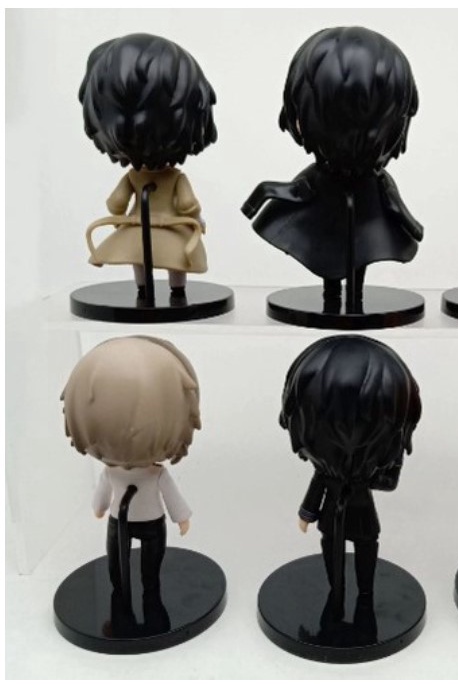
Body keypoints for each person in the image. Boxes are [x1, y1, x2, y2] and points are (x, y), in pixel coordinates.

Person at [242, 26, 423, 311]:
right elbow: (299, 191)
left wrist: (412, 227)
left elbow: (394, 205)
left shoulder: (377, 182)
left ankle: (354, 296)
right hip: (323, 233)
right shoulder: (324, 176)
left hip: (368, 232)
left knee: (360, 259)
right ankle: (333, 296)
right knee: (330, 262)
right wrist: (263, 193)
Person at [280, 335, 421, 612]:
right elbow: (318, 486)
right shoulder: (326, 469)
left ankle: (365, 591)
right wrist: (307, 513)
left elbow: (389, 483)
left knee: (366, 549)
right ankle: (337, 588)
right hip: (332, 517)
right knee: (332, 550)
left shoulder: (364, 466)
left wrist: (384, 464)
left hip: (363, 514)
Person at [79, 34, 217, 298]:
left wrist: (119, 215)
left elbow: (116, 203)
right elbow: (188, 204)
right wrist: (197, 220)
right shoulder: (175, 178)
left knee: (138, 255)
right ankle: (177, 287)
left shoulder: (135, 178)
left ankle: (143, 286)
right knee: (177, 258)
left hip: (137, 229)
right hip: (172, 231)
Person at [61, 336, 201, 596]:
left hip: (150, 522)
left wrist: (181, 517)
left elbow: (171, 496)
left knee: (151, 566)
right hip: (118, 522)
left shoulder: (155, 474)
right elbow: (103, 491)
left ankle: (150, 591)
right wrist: (99, 507)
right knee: (116, 563)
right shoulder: (112, 473)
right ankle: (119, 592)